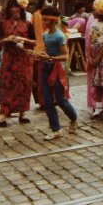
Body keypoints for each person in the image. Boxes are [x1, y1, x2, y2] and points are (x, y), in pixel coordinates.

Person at [0, 0, 36, 128]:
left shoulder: (27, 24)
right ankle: (3, 114)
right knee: (7, 86)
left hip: (25, 59)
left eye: (17, 7)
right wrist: (6, 40)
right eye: (12, 7)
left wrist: (22, 39)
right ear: (8, 10)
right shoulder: (3, 24)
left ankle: (22, 113)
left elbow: (35, 42)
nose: (15, 10)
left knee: (24, 84)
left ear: (21, 9)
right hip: (9, 59)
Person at [39, 7, 78, 139]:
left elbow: (65, 56)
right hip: (46, 69)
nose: (43, 22)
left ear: (53, 20)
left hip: (57, 70)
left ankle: (73, 118)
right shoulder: (45, 35)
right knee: (48, 101)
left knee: (61, 100)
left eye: (45, 19)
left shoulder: (59, 36)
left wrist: (50, 58)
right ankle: (56, 129)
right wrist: (40, 55)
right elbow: (46, 51)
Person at [31, 0, 54, 109]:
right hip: (41, 50)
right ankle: (43, 100)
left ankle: (53, 98)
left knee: (52, 76)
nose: (50, 2)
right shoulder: (36, 15)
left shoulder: (52, 14)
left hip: (52, 50)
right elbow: (35, 33)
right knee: (41, 77)